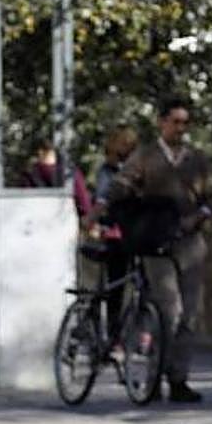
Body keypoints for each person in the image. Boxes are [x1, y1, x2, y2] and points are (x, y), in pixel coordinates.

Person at [100, 97, 212, 403]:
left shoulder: (197, 159)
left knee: (189, 317)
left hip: (190, 243)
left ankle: (178, 378)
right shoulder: (146, 156)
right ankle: (154, 375)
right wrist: (112, 201)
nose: (180, 128)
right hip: (156, 242)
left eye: (185, 123)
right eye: (175, 122)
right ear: (162, 122)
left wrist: (200, 215)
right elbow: (121, 184)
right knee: (170, 311)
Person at [90, 125, 139, 344]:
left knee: (122, 287)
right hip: (121, 234)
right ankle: (116, 335)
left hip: (130, 232)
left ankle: (119, 335)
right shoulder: (110, 171)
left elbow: (102, 200)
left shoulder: (120, 169)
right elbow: (103, 200)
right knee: (117, 287)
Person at [20, 140, 92, 217]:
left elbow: (23, 206)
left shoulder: (29, 175)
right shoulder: (72, 173)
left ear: (39, 152)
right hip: (66, 223)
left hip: (37, 223)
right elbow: (85, 207)